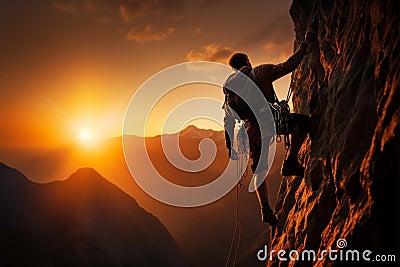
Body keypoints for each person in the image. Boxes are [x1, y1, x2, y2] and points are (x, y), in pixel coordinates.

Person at [223, 29, 315, 226]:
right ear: (247, 61)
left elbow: (228, 118)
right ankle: (290, 160)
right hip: (271, 121)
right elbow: (289, 65)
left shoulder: (230, 87)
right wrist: (304, 46)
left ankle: (265, 207)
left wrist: (229, 144)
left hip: (252, 131)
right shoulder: (261, 71)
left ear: (233, 68)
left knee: (259, 167)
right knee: (303, 123)